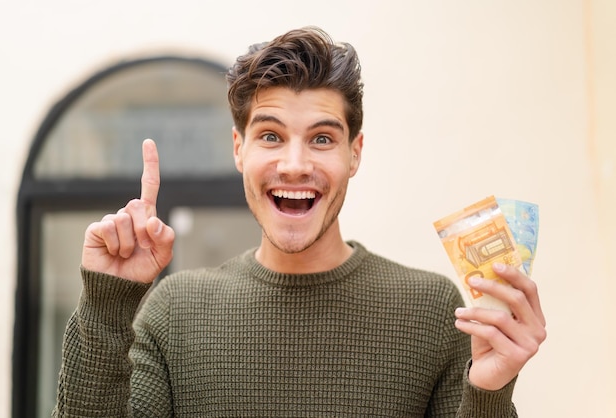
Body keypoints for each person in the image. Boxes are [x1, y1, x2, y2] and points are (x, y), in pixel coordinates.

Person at [53, 26, 546, 417]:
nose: (294, 164)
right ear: (238, 149)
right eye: (270, 136)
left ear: (355, 153)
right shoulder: (174, 311)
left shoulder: (431, 310)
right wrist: (107, 303)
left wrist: (489, 393)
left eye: (322, 139)